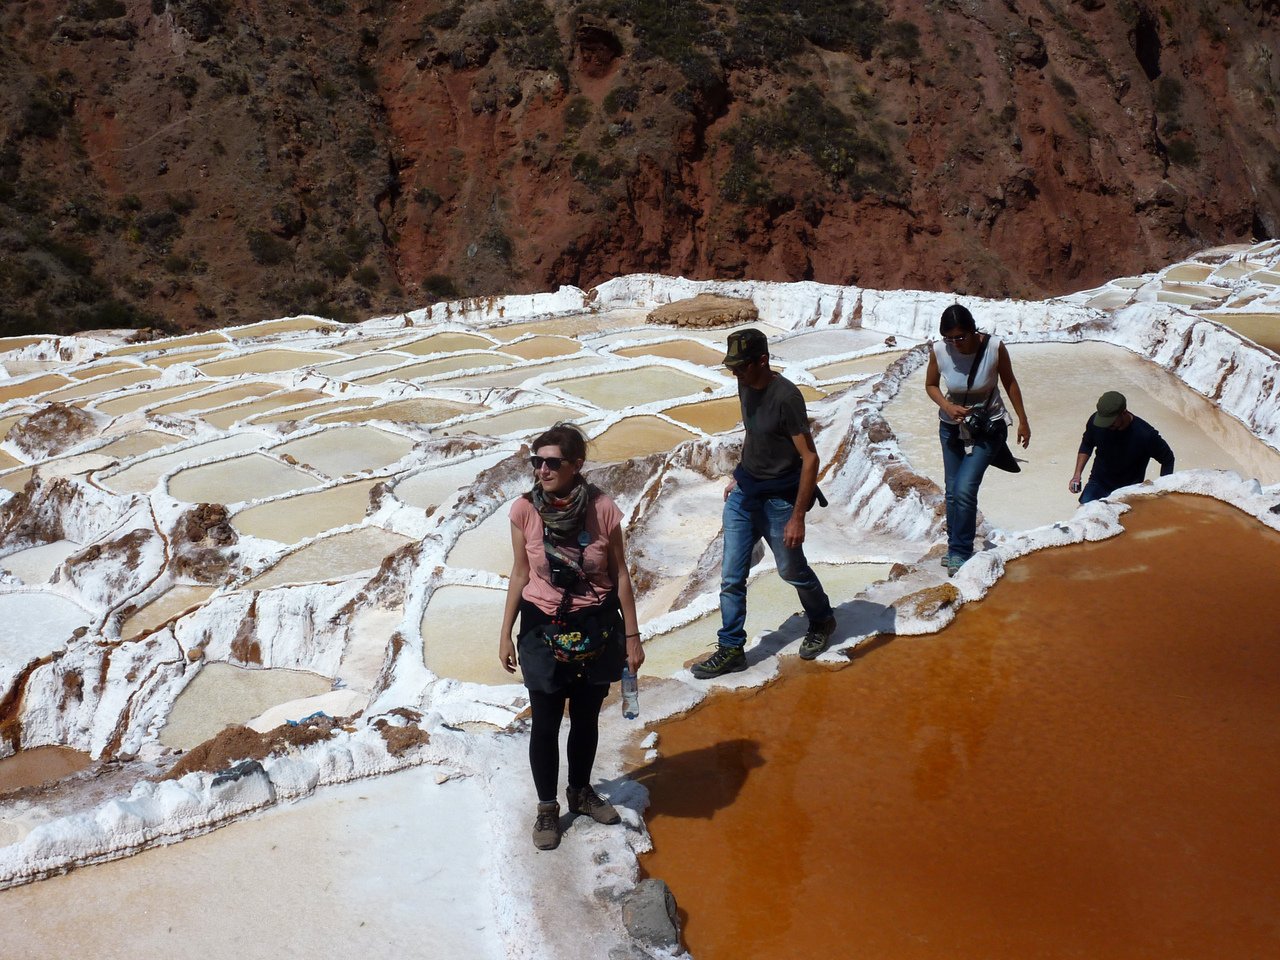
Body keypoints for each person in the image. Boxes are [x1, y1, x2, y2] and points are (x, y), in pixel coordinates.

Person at [498, 423, 644, 851]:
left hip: (596, 627)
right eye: (537, 462)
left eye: (552, 463)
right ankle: (547, 808)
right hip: (543, 627)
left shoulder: (602, 509)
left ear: (576, 465)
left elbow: (619, 574)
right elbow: (520, 573)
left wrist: (632, 636)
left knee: (585, 719)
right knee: (544, 722)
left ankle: (579, 792)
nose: (542, 470)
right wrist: (505, 633)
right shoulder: (524, 510)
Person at [689, 328, 837, 680]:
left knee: (791, 571)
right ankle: (731, 649)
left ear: (762, 361)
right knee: (731, 577)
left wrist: (797, 517)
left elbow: (810, 458)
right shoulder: (744, 383)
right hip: (745, 494)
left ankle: (822, 620)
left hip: (780, 500)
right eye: (734, 369)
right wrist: (740, 474)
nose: (737, 375)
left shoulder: (786, 397)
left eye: (742, 368)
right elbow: (754, 435)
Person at [924, 304, 1031, 575]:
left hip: (989, 427)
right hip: (951, 427)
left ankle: (961, 550)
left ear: (973, 330)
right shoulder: (939, 351)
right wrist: (947, 407)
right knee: (951, 490)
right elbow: (931, 385)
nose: (955, 344)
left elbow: (1010, 382)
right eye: (950, 338)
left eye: (960, 337)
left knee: (964, 488)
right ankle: (954, 547)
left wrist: (1022, 420)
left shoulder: (994, 347)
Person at [1069, 391, 1175, 503]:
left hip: (1128, 489)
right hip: (1098, 482)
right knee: (1084, 511)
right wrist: (1077, 475)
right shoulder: (1096, 422)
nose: (1107, 425)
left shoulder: (1145, 434)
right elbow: (1087, 444)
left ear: (1123, 412)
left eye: (1110, 421)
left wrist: (1163, 490)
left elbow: (1167, 459)